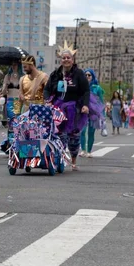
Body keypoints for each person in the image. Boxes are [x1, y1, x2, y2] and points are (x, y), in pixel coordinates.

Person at [43, 41, 90, 171]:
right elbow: (47, 89)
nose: (66, 60)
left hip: (74, 108)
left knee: (74, 136)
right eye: (64, 58)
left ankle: (73, 159)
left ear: (72, 59)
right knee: (59, 134)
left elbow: (86, 90)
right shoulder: (55, 74)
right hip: (58, 107)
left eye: (68, 57)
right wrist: (47, 100)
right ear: (61, 59)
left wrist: (85, 105)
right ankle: (61, 158)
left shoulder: (79, 73)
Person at [79, 68, 105, 157]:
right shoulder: (81, 87)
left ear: (92, 76)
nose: (87, 76)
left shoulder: (97, 88)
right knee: (82, 131)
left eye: (89, 75)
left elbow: (101, 102)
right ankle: (83, 150)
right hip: (83, 112)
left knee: (91, 132)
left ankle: (89, 151)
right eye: (85, 75)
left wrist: (102, 115)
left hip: (94, 113)